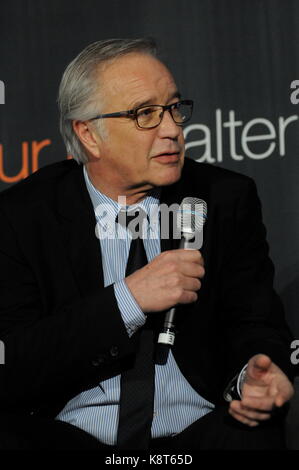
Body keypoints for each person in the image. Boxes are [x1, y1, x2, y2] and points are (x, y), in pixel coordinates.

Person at [0, 38, 295, 451]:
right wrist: (128, 300)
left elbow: (255, 323)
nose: (173, 129)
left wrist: (255, 373)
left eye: (174, 108)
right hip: (69, 437)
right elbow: (14, 361)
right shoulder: (23, 216)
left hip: (197, 434)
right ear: (89, 135)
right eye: (145, 114)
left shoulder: (224, 198)